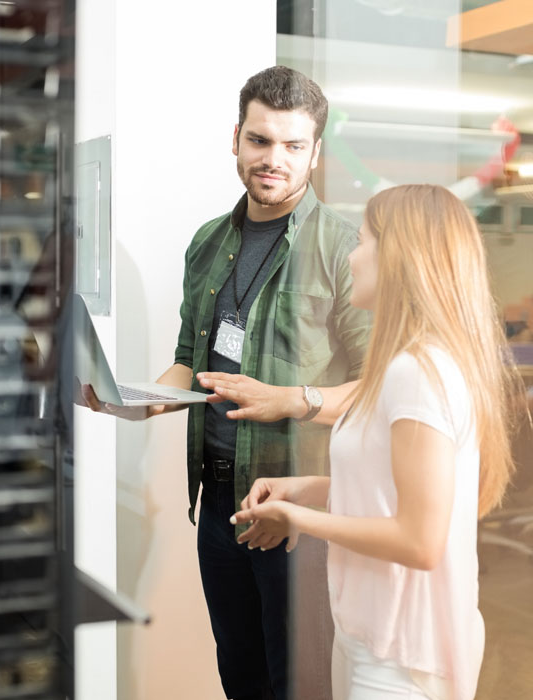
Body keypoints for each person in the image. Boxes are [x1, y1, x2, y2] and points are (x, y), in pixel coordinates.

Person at [82, 66, 371, 700]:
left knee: (299, 683)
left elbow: (378, 391)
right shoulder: (208, 243)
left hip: (298, 510)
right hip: (218, 503)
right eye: (261, 141)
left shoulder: (346, 249)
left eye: (294, 146)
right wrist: (133, 402)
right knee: (240, 676)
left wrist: (291, 401)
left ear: (316, 153)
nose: (275, 160)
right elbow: (190, 359)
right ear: (236, 137)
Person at [226, 184, 521, 700]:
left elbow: (420, 542)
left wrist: (296, 520)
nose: (352, 256)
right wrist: (307, 488)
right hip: (371, 636)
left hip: (402, 656)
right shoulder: (405, 366)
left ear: (399, 258)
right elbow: (387, 489)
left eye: (362, 243)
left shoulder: (418, 373)